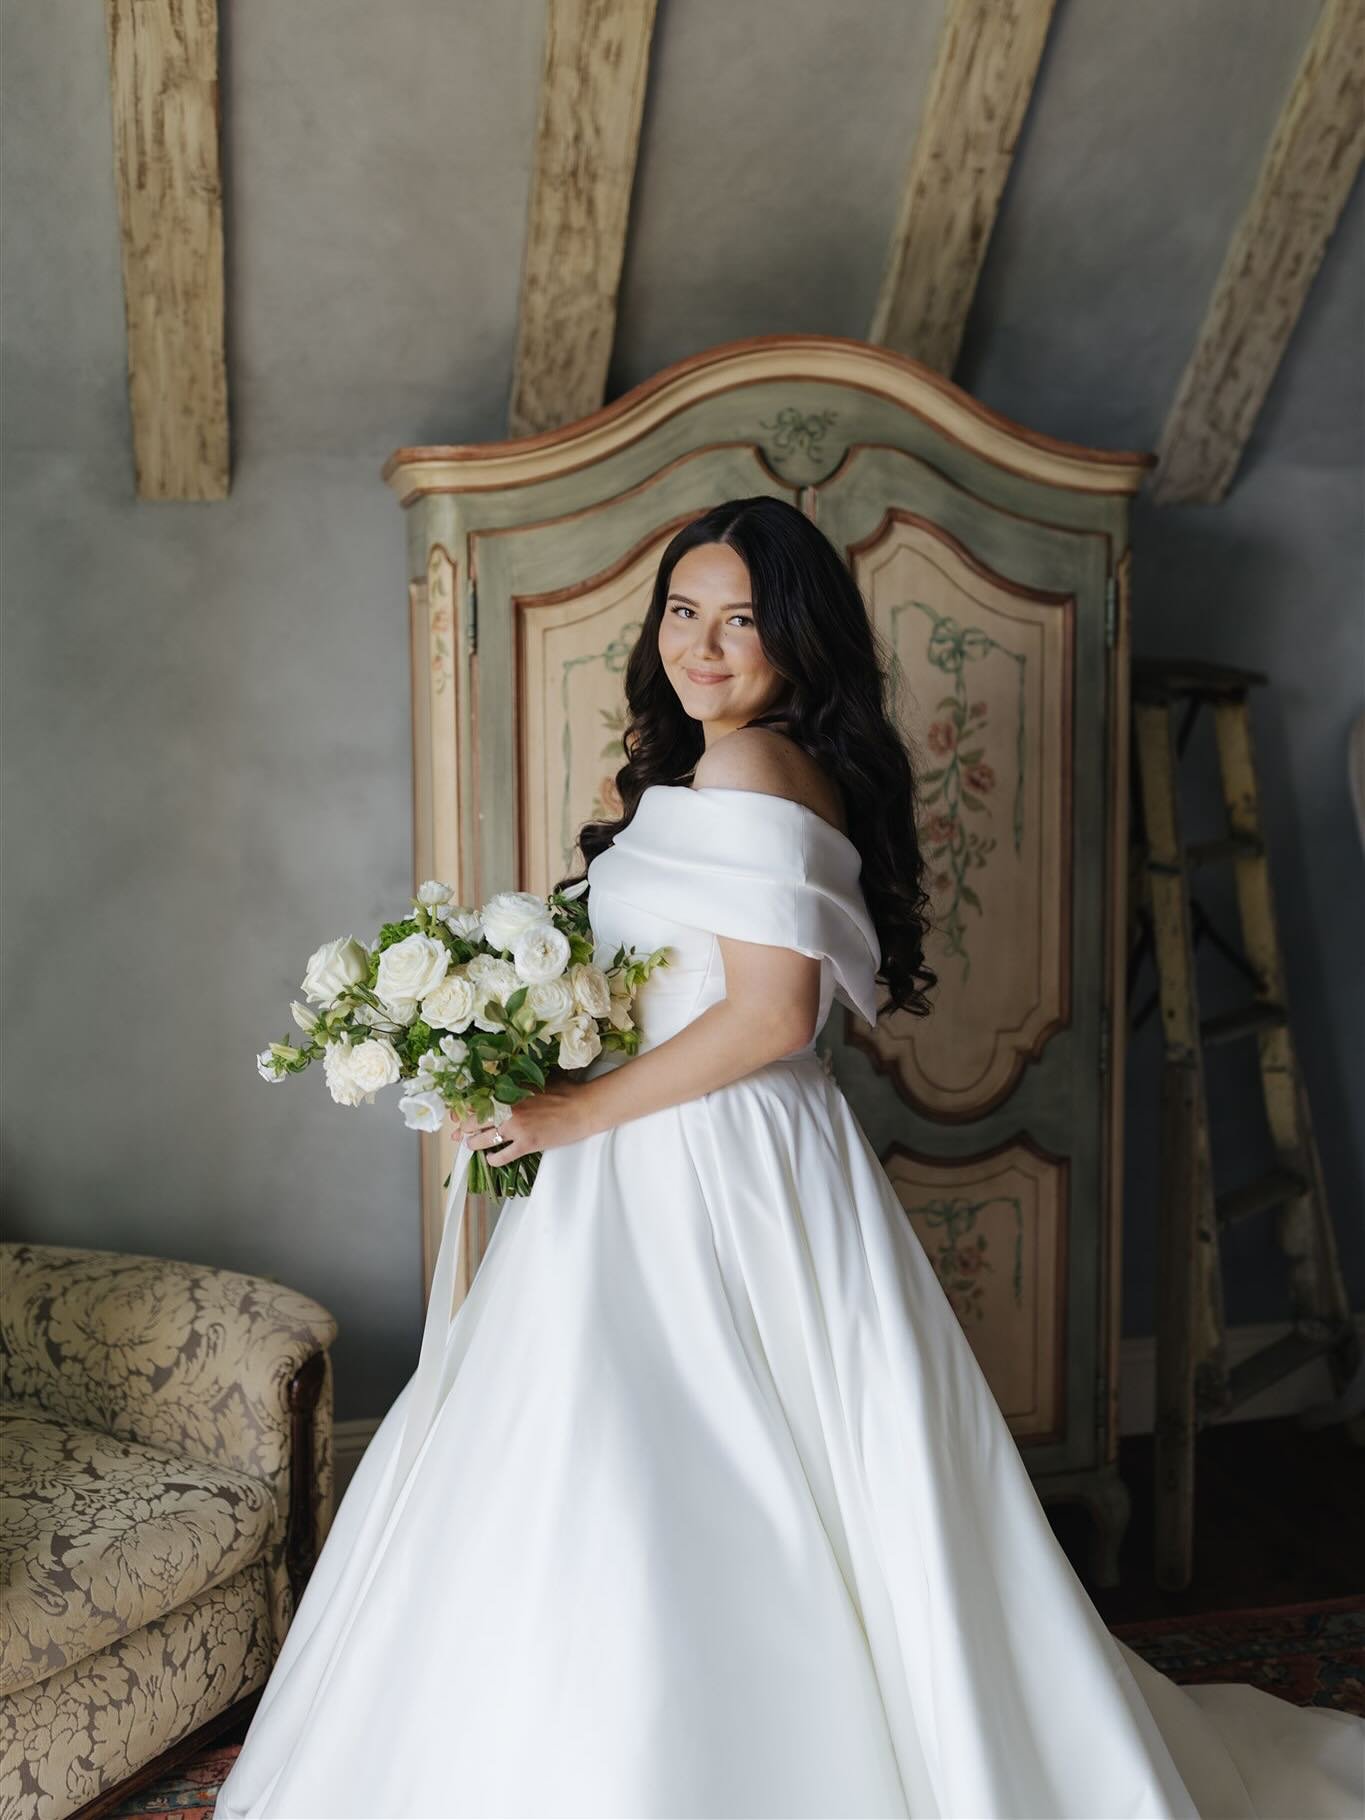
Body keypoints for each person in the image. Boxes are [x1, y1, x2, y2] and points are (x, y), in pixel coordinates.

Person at [215, 498, 1363, 1819]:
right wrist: (548, 1055)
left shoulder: (751, 770)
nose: (704, 644)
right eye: (684, 613)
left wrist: (572, 1117)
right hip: (666, 1149)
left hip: (709, 1166)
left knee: (678, 1471)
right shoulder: (707, 767)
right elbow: (689, 989)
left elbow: (771, 1017)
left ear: (796, 641)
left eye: (742, 620)